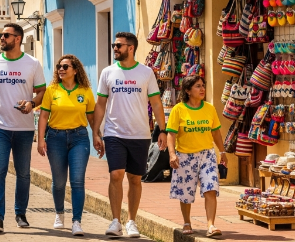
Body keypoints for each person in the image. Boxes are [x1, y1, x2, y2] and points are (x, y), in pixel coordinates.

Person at [93, 32, 167, 238]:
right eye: (114, 45)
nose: (115, 48)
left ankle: (131, 221)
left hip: (140, 134)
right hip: (114, 133)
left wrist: (163, 130)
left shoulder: (146, 72)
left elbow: (156, 103)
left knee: (135, 178)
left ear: (131, 48)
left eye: (119, 45)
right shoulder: (107, 72)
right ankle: (115, 221)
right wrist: (96, 131)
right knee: (116, 174)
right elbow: (100, 104)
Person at [0, 22, 46, 232]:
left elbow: (42, 92)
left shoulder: (32, 64)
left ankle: (20, 213)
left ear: (18, 39)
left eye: (6, 35)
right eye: (1, 35)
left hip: (24, 129)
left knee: (23, 173)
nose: (1, 38)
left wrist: (32, 103)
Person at [36, 55, 102, 236]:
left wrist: (97, 135)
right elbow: (43, 116)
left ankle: (76, 221)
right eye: (59, 66)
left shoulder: (86, 91)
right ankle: (59, 214)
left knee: (77, 181)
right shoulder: (52, 90)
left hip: (79, 138)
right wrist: (40, 139)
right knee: (58, 182)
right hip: (55, 138)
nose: (61, 69)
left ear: (75, 70)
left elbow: (91, 118)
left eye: (65, 66)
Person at [166, 75, 226, 238]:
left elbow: (216, 132)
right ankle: (186, 222)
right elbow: (171, 134)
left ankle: (211, 225)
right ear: (187, 90)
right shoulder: (178, 109)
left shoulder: (209, 108)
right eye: (198, 86)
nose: (202, 89)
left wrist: (222, 151)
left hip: (207, 155)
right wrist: (172, 154)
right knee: (186, 191)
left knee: (211, 188)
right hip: (185, 156)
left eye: (203, 85)